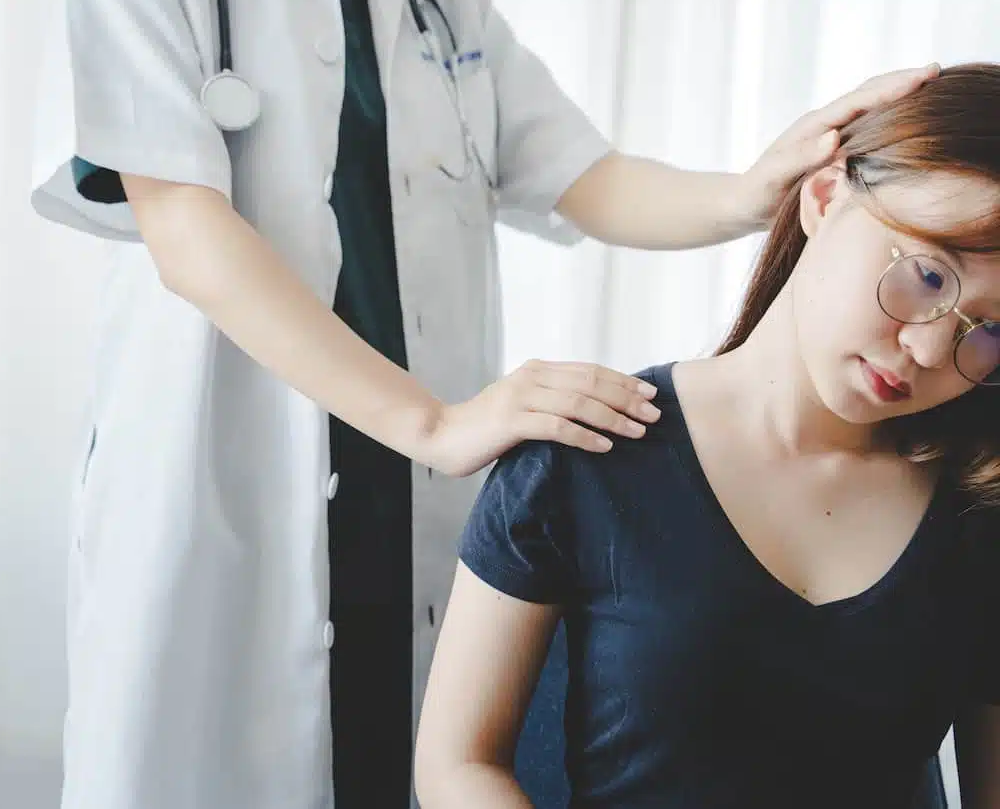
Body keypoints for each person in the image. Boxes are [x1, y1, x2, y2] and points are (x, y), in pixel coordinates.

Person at [28, 0, 939, 806]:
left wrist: (750, 191)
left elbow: (588, 179)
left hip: (412, 493)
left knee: (405, 751)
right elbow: (185, 227)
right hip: (232, 476)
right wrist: (433, 424)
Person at [413, 62, 1000, 809]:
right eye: (927, 276)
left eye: (987, 333)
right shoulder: (584, 448)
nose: (927, 349)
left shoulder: (979, 518)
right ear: (823, 198)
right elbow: (458, 766)